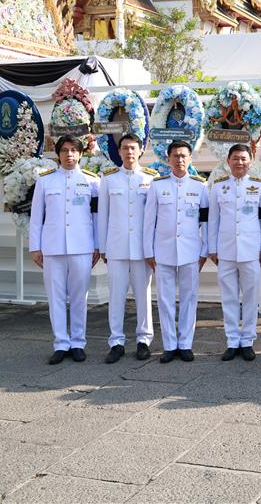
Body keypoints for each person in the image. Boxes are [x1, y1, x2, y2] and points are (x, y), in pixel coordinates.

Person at [29, 135, 100, 364]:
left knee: (80, 297)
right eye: (64, 150)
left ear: (80, 154)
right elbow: (36, 217)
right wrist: (35, 247)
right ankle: (60, 343)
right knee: (56, 297)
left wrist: (97, 245)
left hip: (82, 246)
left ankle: (78, 342)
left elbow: (97, 217)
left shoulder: (92, 181)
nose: (69, 154)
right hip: (53, 247)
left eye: (73, 150)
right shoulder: (45, 181)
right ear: (57, 154)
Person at [144, 140, 209, 363]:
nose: (180, 160)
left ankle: (186, 343)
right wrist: (148, 250)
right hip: (163, 251)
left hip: (191, 251)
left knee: (189, 298)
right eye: (175, 156)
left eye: (183, 156)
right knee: (165, 299)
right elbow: (149, 221)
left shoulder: (200, 186)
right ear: (168, 159)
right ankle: (170, 345)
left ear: (190, 159)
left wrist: (205, 250)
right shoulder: (157, 186)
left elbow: (206, 222)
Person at [97, 134, 158, 364]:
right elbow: (103, 215)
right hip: (117, 246)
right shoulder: (109, 178)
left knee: (143, 294)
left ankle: (144, 340)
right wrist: (103, 247)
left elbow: (155, 217)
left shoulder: (151, 178)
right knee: (116, 295)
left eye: (133, 148)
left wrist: (152, 247)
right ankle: (116, 342)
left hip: (142, 248)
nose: (129, 152)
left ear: (140, 150)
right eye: (125, 148)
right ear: (119, 151)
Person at [209, 144, 261, 362]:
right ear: (228, 161)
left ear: (251, 162)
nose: (239, 162)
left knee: (251, 297)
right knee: (229, 297)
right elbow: (213, 220)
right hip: (225, 250)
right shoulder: (219, 187)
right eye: (235, 158)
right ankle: (232, 340)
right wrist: (212, 248)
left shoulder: (260, 186)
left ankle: (247, 341)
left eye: (244, 158)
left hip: (251, 250)